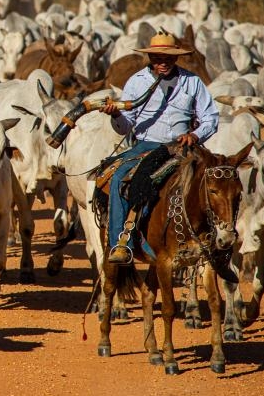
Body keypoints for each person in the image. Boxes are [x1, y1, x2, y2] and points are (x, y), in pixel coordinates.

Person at [100, 32, 233, 279]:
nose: (162, 61)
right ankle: (121, 244)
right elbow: (125, 125)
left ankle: (221, 246)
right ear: (150, 57)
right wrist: (115, 115)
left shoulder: (192, 82)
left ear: (176, 58)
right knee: (119, 178)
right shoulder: (136, 82)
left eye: (168, 57)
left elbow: (210, 118)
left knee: (221, 183)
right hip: (146, 146)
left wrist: (195, 135)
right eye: (157, 57)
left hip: (184, 147)